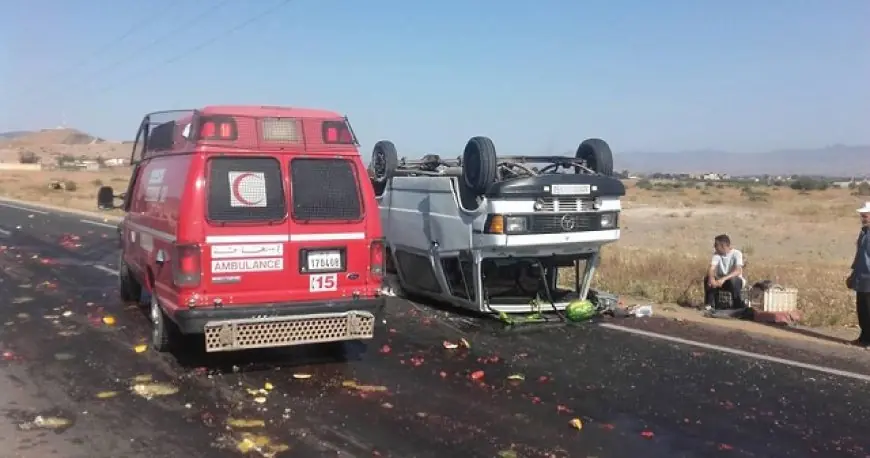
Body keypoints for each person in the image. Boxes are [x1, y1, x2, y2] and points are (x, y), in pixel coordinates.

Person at [846, 202, 870, 348]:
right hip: (861, 277)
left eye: (865, 215)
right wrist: (853, 273)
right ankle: (864, 337)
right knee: (862, 309)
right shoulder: (863, 233)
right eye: (862, 215)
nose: (863, 218)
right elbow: (859, 255)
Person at [704, 234, 745, 309]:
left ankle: (737, 306)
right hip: (720, 281)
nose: (714, 247)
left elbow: (738, 271)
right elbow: (711, 268)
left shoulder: (737, 253)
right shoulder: (716, 255)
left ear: (723, 246)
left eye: (716, 245)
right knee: (708, 278)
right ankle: (709, 305)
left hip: (734, 281)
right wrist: (711, 279)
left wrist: (723, 279)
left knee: (734, 280)